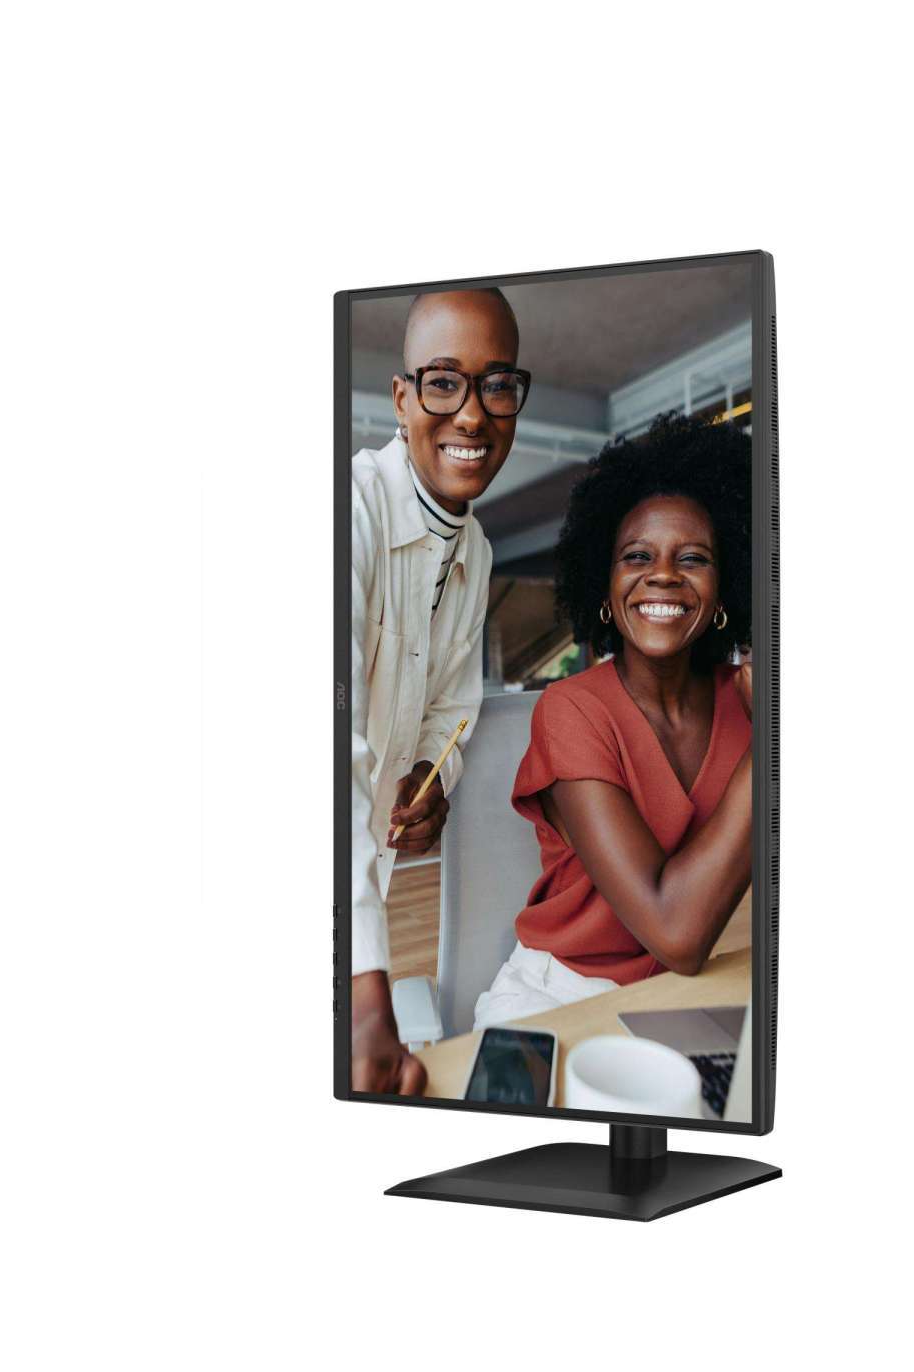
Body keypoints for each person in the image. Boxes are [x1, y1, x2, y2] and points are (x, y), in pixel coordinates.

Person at [473, 411, 753, 1029]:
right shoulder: (572, 711)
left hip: (683, 996)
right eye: (637, 555)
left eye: (694, 558)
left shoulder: (746, 702)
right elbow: (676, 933)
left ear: (725, 589)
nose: (664, 574)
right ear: (605, 585)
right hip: (560, 997)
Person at [351, 288, 531, 1091]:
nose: (472, 414)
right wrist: (367, 995)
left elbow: (453, 704)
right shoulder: (347, 511)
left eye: (496, 385)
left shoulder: (477, 552)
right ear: (402, 398)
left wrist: (431, 771)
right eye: (444, 382)